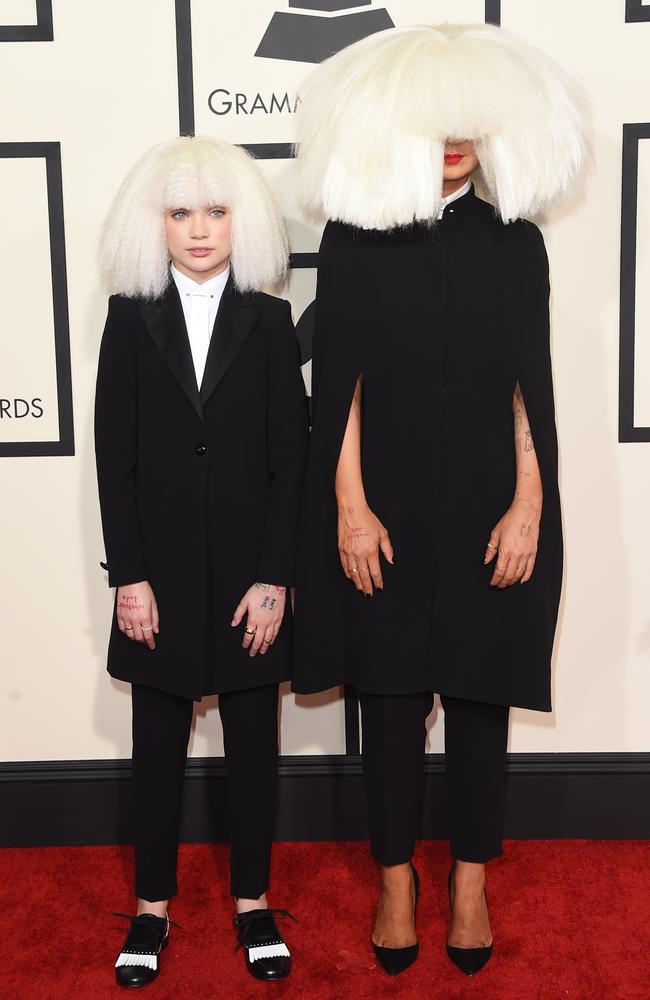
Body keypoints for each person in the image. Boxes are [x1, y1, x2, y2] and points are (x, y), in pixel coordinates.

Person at [292, 23, 586, 976]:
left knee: (480, 697)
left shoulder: (516, 244)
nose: (452, 139)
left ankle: (468, 882)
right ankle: (393, 883)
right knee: (387, 699)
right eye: (434, 121)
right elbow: (336, 390)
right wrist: (350, 506)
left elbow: (525, 388)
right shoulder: (353, 239)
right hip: (383, 503)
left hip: (485, 505)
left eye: (467, 122)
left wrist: (529, 502)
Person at [95, 136, 308, 986]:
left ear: (241, 220)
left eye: (215, 211)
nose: (197, 230)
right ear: (157, 222)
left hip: (251, 575)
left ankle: (253, 903)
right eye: (180, 212)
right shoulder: (126, 315)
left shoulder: (268, 317)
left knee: (255, 745)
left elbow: (290, 460)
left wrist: (275, 579)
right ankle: (151, 911)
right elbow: (117, 456)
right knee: (156, 748)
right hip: (161, 576)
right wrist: (129, 577)